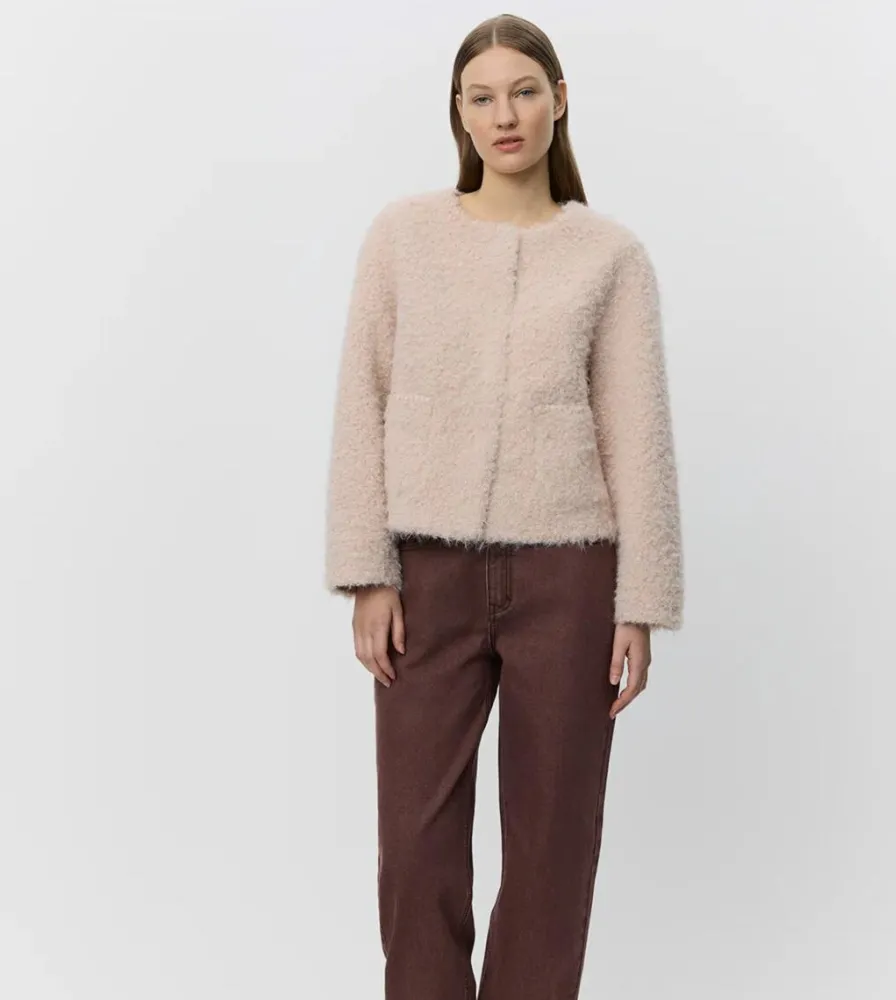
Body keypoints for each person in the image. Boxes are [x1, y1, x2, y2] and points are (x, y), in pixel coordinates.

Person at [323, 13, 684, 1000]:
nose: (504, 115)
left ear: (559, 100)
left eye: (523, 91)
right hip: (426, 575)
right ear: (459, 112)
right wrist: (366, 571)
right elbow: (362, 397)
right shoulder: (404, 237)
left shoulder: (610, 256)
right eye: (480, 98)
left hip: (571, 575)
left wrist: (640, 603)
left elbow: (638, 432)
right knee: (415, 844)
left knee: (554, 840)